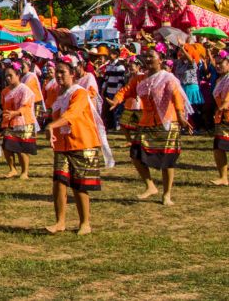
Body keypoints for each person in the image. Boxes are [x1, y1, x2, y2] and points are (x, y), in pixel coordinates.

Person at [114, 49, 192, 205]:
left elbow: (176, 96)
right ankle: (150, 186)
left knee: (167, 159)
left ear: (160, 59)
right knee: (135, 154)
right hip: (146, 121)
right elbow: (127, 90)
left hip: (168, 122)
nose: (148, 59)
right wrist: (117, 99)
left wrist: (181, 115)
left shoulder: (167, 78)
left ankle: (167, 194)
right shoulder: (140, 78)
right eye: (146, 56)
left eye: (151, 56)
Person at [44, 62, 113, 235]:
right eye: (57, 72)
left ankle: (85, 223)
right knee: (59, 181)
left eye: (62, 72)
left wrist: (52, 125)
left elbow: (72, 115)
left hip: (82, 142)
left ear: (72, 73)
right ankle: (60, 222)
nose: (58, 75)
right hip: (62, 143)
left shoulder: (79, 93)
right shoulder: (57, 94)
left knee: (79, 184)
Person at [1, 64, 38, 179]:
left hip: (23, 122)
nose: (8, 78)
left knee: (22, 149)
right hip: (10, 122)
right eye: (6, 76)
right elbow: (4, 107)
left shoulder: (25, 90)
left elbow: (26, 106)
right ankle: (12, 169)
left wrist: (15, 113)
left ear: (18, 75)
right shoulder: (5, 91)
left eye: (10, 75)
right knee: (7, 146)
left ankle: (24, 172)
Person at [207, 52, 229, 186]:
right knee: (218, 146)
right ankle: (223, 177)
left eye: (221, 63)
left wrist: (223, 106)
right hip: (222, 117)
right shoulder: (220, 79)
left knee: (219, 145)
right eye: (217, 63)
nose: (218, 66)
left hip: (225, 114)